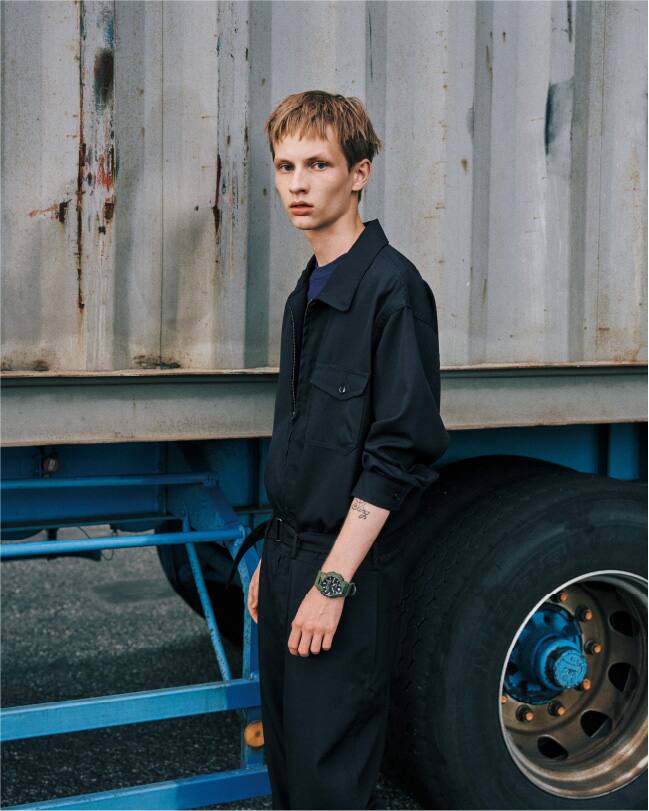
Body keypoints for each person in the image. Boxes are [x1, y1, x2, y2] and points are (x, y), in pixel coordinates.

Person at [245, 90, 449, 809]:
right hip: (289, 556)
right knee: (290, 772)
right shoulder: (306, 294)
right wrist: (274, 554)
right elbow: (305, 442)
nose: (297, 185)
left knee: (329, 780)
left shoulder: (394, 291)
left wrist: (330, 585)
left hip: (345, 571)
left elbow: (398, 452)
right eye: (285, 166)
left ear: (359, 173)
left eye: (318, 164)